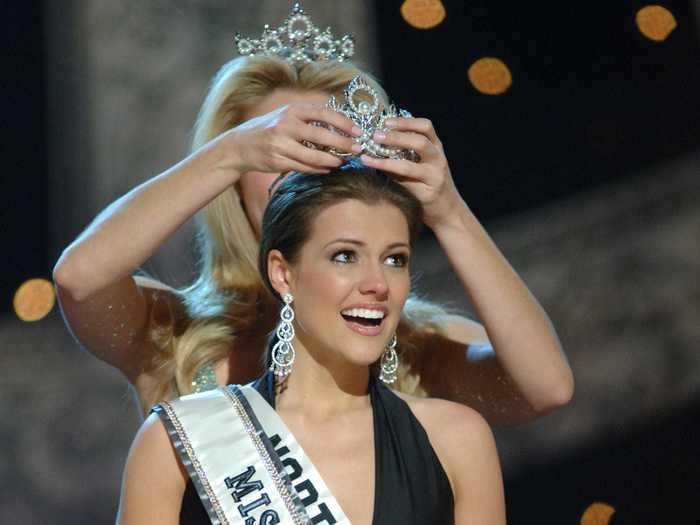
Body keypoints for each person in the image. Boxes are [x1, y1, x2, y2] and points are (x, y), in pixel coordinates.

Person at [53, 3, 573, 421]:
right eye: (283, 155)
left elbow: (545, 387)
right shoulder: (173, 338)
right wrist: (230, 152)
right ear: (233, 182)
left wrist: (449, 212)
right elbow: (80, 278)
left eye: (329, 154)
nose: (305, 178)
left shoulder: (413, 343)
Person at [117, 165, 507, 525]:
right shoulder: (177, 442)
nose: (378, 283)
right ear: (283, 274)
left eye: (394, 259)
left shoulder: (457, 441)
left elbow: (550, 385)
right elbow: (80, 281)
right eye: (345, 256)